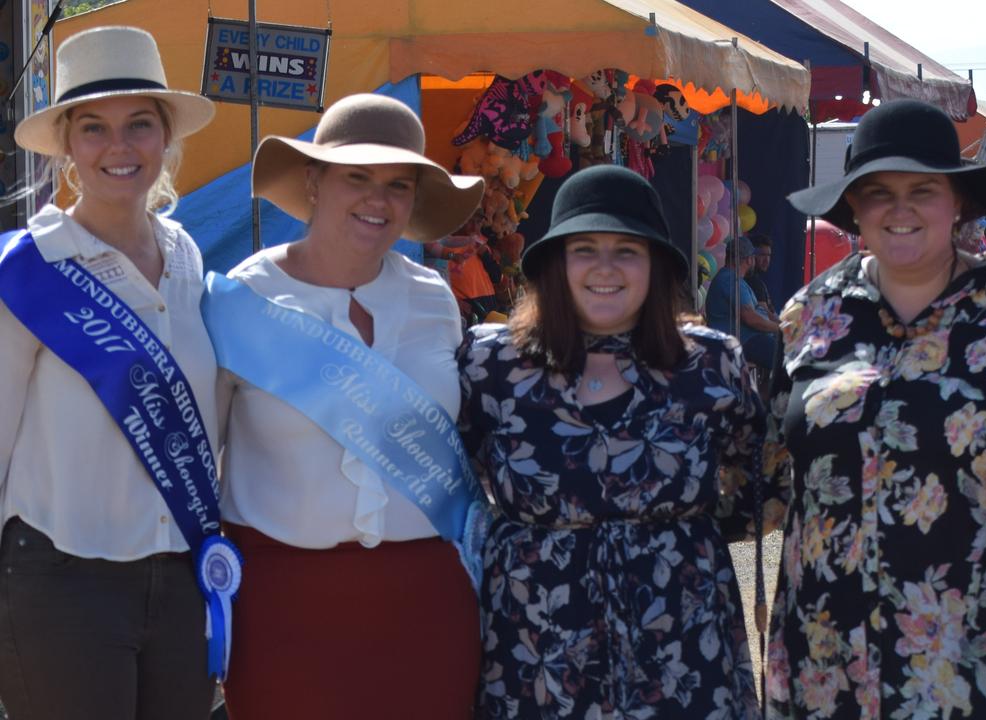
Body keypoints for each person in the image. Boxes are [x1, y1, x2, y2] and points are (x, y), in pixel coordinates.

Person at [769, 98, 986, 719]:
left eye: (922, 189)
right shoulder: (810, 314)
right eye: (878, 191)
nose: (899, 208)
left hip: (976, 663)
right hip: (825, 659)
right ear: (853, 206)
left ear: (958, 201)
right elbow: (774, 469)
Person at [202, 93, 486, 719]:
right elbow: (198, 458)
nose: (377, 200)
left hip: (427, 605)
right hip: (284, 608)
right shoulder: (241, 301)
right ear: (312, 181)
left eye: (398, 184)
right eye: (356, 177)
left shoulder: (435, 298)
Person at [458, 164, 772, 719]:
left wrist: (668, 535)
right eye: (584, 248)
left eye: (627, 250)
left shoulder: (711, 363)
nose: (605, 267)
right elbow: (453, 480)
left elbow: (758, 482)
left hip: (679, 634)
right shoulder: (491, 364)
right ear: (556, 263)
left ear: (655, 265)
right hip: (537, 643)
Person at [0, 26, 227, 719]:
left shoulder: (187, 255)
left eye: (139, 125)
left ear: (165, 139)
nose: (118, 147)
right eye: (93, 127)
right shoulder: (25, 272)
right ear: (67, 144)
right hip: (64, 582)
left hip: (184, 581)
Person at [706, 235, 780, 378]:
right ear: (748, 259)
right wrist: (780, 329)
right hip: (742, 342)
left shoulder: (735, 280)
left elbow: (758, 312)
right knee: (787, 358)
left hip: (747, 340)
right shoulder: (730, 280)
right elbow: (750, 318)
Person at [745, 232, 777, 315]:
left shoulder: (756, 281)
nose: (766, 260)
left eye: (769, 255)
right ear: (751, 256)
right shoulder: (753, 282)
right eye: (762, 255)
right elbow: (766, 315)